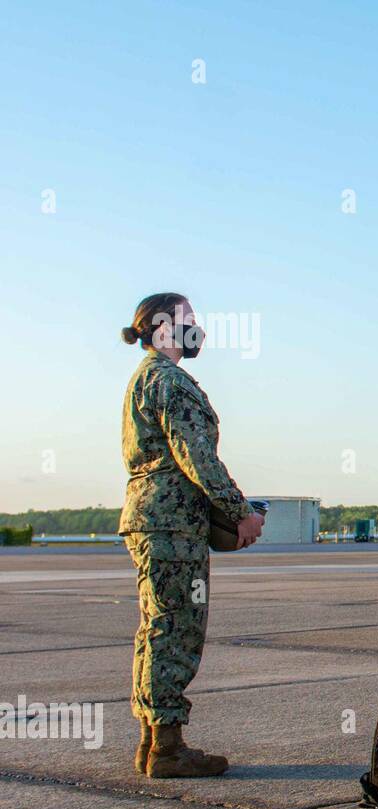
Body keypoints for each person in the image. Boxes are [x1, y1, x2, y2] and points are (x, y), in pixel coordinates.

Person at [119, 293, 264, 778]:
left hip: (150, 518)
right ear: (164, 327)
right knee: (176, 630)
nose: (198, 329)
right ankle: (167, 748)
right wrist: (240, 512)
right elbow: (196, 457)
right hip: (172, 522)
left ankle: (152, 740)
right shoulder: (170, 381)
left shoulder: (144, 378)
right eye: (190, 321)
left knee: (156, 628)